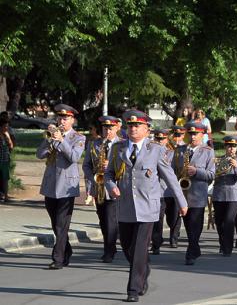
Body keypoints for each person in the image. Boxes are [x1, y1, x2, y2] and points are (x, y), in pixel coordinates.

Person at [104, 109, 188, 302]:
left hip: (148, 208)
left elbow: (171, 177)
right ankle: (143, 270)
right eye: (130, 125)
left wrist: (182, 202)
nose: (133, 128)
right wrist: (110, 186)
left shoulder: (156, 149)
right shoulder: (117, 148)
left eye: (137, 125)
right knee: (127, 248)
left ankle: (133, 290)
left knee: (140, 249)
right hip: (125, 206)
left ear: (147, 129)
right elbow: (109, 173)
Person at [36, 104, 86, 270]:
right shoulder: (51, 135)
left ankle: (58, 258)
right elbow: (39, 154)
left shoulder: (78, 138)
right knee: (54, 222)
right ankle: (67, 250)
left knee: (61, 224)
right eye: (60, 118)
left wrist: (61, 140)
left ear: (72, 120)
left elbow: (73, 157)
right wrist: (48, 140)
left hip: (67, 186)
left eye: (65, 118)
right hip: (50, 184)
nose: (62, 121)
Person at [172, 122, 215, 265]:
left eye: (196, 134)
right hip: (182, 194)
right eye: (190, 134)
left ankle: (190, 253)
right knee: (188, 224)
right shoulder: (179, 150)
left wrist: (197, 172)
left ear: (202, 135)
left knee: (195, 224)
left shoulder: (208, 151)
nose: (193, 136)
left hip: (198, 194)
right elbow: (172, 172)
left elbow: (211, 174)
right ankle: (195, 248)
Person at [82, 116, 122, 263]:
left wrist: (112, 166)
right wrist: (91, 177)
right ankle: (110, 245)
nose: (107, 131)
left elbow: (127, 166)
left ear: (117, 128)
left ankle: (109, 250)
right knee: (103, 220)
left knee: (111, 220)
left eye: (110, 128)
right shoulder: (94, 144)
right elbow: (86, 165)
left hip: (115, 187)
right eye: (105, 128)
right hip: (98, 187)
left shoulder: (122, 144)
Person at [212, 136, 237, 256]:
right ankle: (222, 243)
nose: (231, 149)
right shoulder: (218, 160)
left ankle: (228, 248)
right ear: (225, 147)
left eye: (234, 146)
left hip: (233, 195)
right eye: (229, 146)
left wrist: (236, 167)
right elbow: (212, 174)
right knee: (219, 222)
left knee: (229, 221)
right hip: (219, 194)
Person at [149, 128, 175, 255]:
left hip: (168, 190)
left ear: (167, 139)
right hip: (156, 191)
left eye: (162, 139)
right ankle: (156, 243)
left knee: (172, 218)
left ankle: (173, 236)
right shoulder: (150, 152)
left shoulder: (171, 153)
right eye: (157, 139)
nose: (159, 141)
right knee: (157, 218)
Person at [0, 119, 14, 203]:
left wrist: (8, 137)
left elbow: (11, 147)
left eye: (7, 126)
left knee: (5, 179)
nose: (6, 128)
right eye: (5, 126)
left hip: (5, 160)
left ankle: (6, 196)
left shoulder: (6, 135)